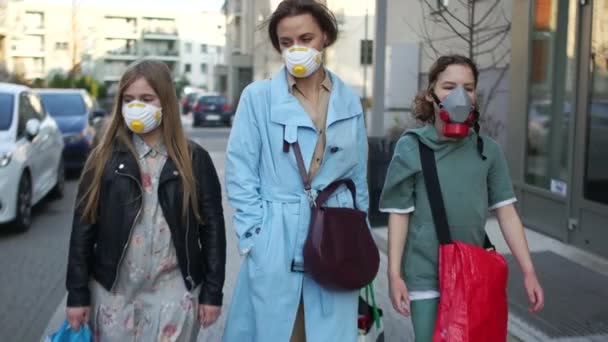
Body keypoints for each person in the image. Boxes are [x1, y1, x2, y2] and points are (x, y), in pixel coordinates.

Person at [222, 1, 369, 341]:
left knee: (328, 331)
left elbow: (358, 175)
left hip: (335, 235)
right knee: (279, 330)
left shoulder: (349, 101)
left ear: (326, 37)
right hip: (276, 234)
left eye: (306, 38)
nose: (297, 49)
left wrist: (358, 232)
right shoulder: (257, 98)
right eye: (287, 43)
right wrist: (254, 237)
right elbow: (240, 169)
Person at [381, 55, 545, 341]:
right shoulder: (412, 147)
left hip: (473, 272)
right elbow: (399, 213)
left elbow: (507, 213)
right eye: (448, 86)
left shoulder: (487, 151)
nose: (460, 95)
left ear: (475, 96)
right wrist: (394, 274)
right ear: (431, 94)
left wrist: (528, 270)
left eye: (468, 88)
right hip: (425, 274)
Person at [65, 59, 226, 341]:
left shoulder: (194, 159)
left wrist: (212, 292)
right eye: (128, 99)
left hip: (175, 294)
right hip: (115, 293)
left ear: (165, 101)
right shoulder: (103, 158)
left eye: (146, 98)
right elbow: (83, 228)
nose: (136, 106)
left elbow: (213, 229)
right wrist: (77, 294)